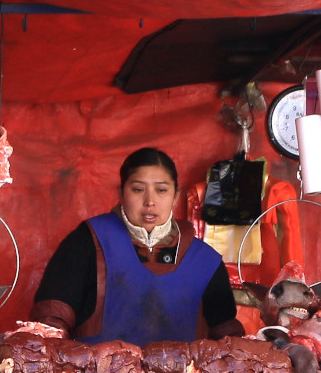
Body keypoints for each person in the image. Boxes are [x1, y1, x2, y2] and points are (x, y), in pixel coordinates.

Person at [29, 147, 245, 343]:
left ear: (176, 196)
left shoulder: (205, 262)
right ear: (121, 193)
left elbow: (228, 342)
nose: (150, 201)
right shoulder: (86, 242)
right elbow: (49, 326)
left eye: (161, 190)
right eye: (138, 189)